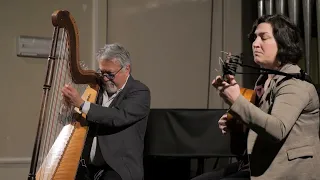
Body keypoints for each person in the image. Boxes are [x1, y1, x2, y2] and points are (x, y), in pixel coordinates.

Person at [211, 14, 320, 180]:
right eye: (255, 38)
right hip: (261, 164)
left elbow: (277, 130)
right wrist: (236, 122)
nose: (255, 44)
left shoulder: (294, 84)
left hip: (287, 172)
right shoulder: (264, 80)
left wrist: (237, 101)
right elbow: (258, 129)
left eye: (263, 38)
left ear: (283, 43)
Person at [61, 43, 151, 180]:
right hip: (87, 167)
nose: (105, 78)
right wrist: (68, 107)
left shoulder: (139, 92)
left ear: (127, 69)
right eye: (102, 72)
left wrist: (81, 103)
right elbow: (73, 121)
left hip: (118, 168)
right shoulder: (96, 90)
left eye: (110, 74)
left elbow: (117, 116)